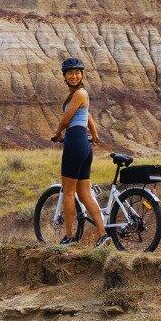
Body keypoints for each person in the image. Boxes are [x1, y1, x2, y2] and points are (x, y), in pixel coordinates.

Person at [50, 57, 108, 246]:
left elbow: (66, 119)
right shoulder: (77, 95)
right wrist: (95, 136)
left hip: (74, 142)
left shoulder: (80, 93)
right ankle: (102, 234)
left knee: (68, 193)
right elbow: (88, 116)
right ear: (64, 76)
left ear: (82, 75)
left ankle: (69, 237)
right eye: (70, 73)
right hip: (84, 144)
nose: (74, 76)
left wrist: (57, 134)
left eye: (77, 73)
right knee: (84, 194)